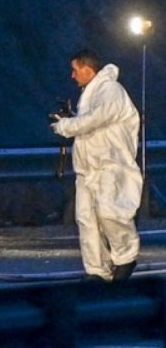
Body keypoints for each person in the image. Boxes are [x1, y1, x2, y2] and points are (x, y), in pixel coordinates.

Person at [51, 48, 142, 282]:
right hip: (88, 169)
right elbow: (90, 124)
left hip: (111, 164)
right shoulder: (89, 95)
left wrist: (67, 126)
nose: (72, 76)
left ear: (87, 69)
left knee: (111, 213)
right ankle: (97, 270)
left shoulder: (111, 90)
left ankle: (126, 258)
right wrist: (71, 121)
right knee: (86, 219)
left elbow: (97, 119)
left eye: (75, 70)